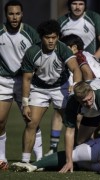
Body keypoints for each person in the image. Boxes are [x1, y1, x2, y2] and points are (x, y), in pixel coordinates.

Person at [20, 19, 82, 164]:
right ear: (41, 37)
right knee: (31, 123)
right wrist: (25, 103)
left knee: (72, 122)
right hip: (39, 89)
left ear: (58, 37)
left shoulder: (63, 49)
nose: (51, 41)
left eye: (54, 37)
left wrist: (76, 84)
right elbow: (27, 79)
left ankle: (78, 157)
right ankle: (24, 161)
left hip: (61, 87)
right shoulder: (32, 52)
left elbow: (76, 69)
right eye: (47, 38)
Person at [44, 34, 100, 156]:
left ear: (74, 48)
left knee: (91, 124)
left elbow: (87, 73)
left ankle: (93, 156)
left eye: (64, 48)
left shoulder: (77, 56)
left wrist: (85, 89)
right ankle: (98, 155)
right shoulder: (88, 54)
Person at [0, 1, 42, 169]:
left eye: (17, 13)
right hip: (3, 81)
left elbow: (41, 54)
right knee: (0, 121)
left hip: (25, 81)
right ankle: (2, 159)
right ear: (6, 15)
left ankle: (39, 157)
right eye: (11, 14)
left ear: (22, 14)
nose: (14, 17)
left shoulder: (30, 33)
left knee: (31, 120)